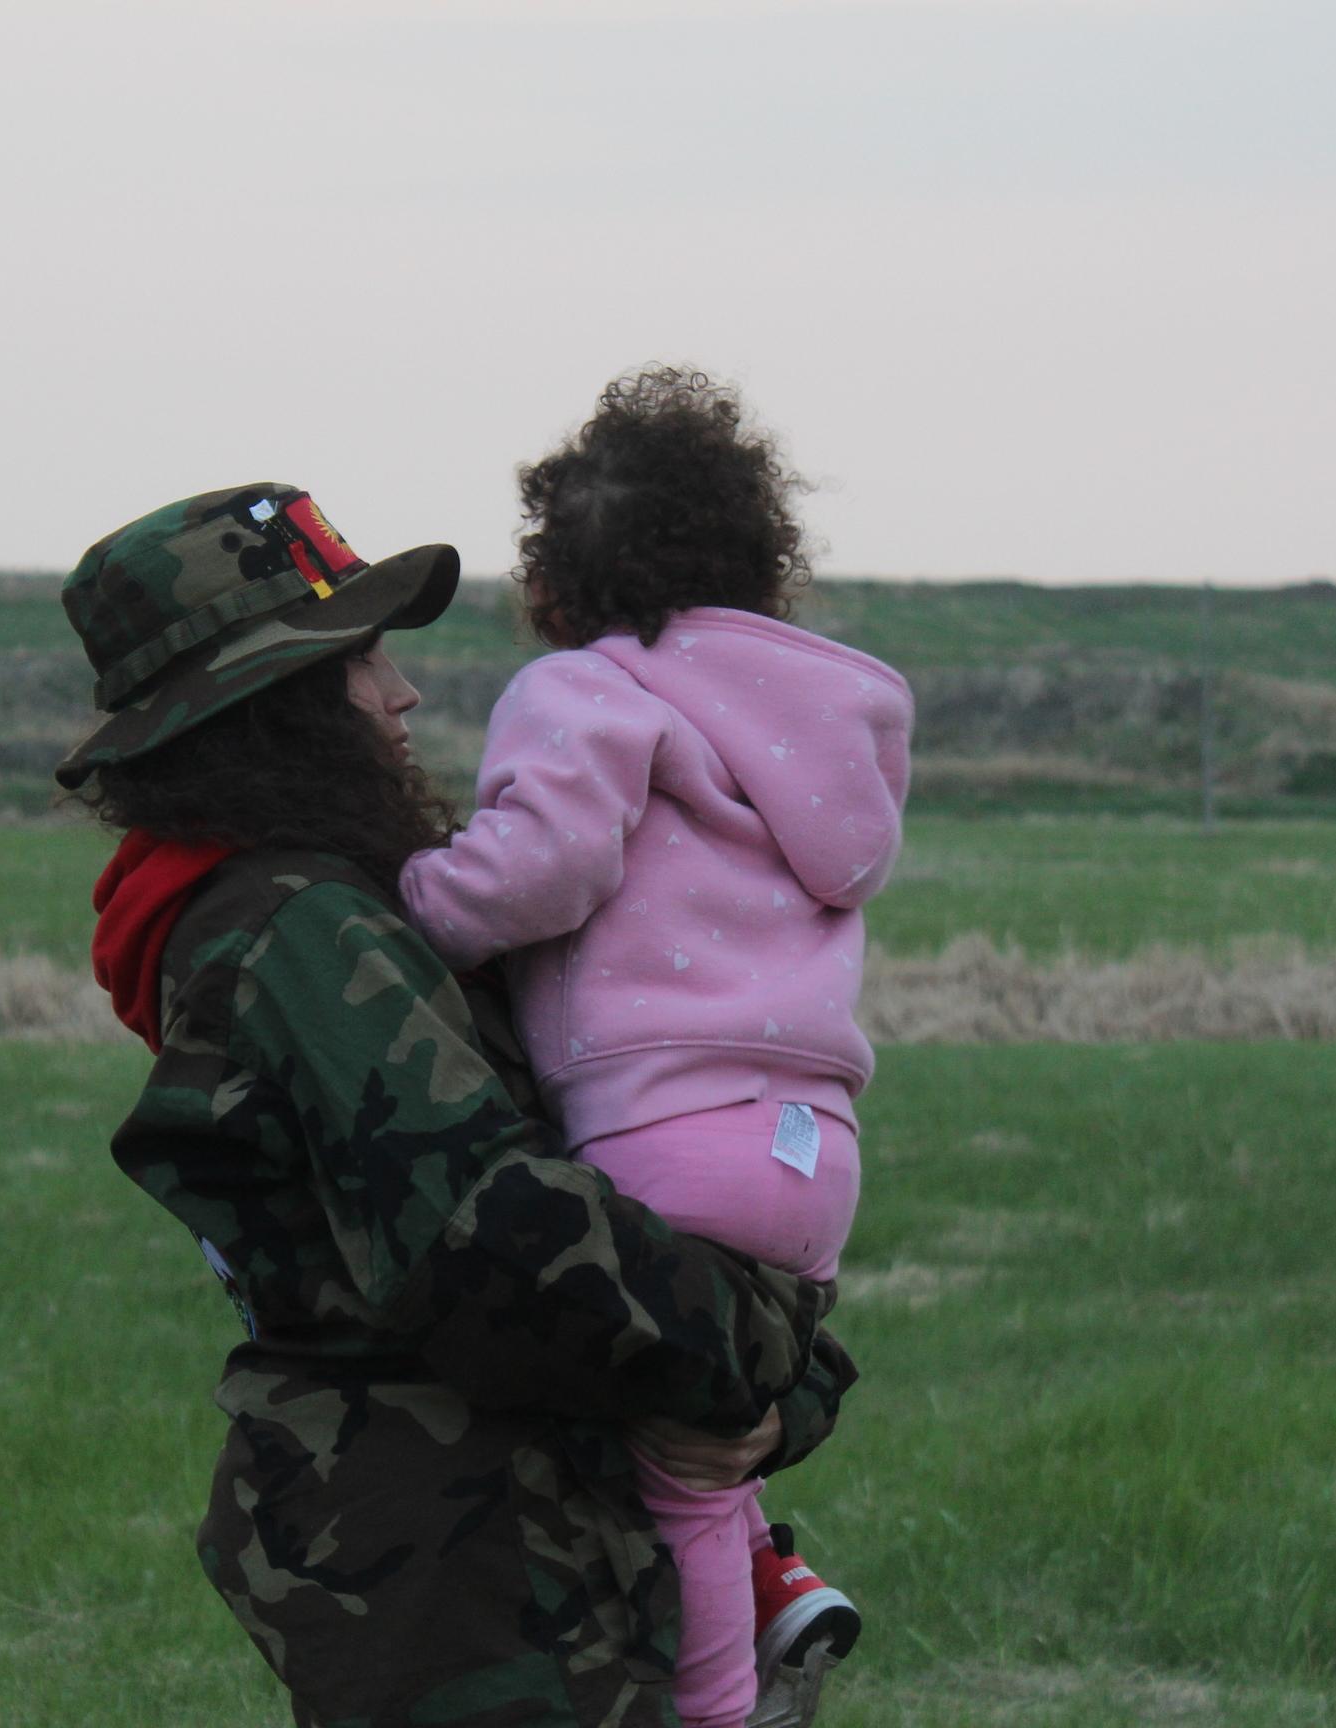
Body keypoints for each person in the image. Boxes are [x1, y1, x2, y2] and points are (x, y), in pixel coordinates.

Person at [54, 481, 858, 1728]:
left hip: (527, 1557)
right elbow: (506, 1245)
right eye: (357, 663)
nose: (399, 694)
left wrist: (777, 1387)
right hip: (480, 1594)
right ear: (263, 713)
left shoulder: (327, 909)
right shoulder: (301, 934)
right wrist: (774, 1360)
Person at [399, 370, 913, 1728]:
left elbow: (546, 864)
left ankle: (716, 1708)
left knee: (671, 1467)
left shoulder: (587, 687)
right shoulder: (818, 722)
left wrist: (420, 903)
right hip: (813, 1160)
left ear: (558, 576)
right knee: (716, 1400)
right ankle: (780, 1584)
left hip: (662, 1133)